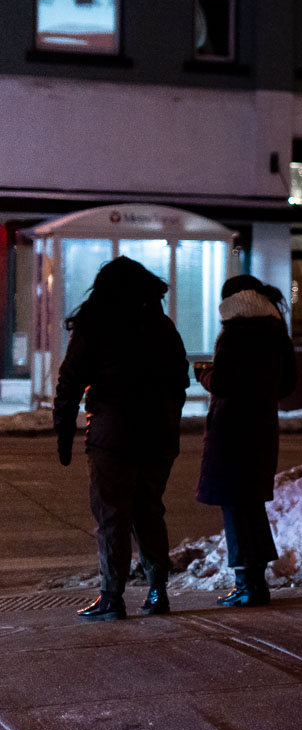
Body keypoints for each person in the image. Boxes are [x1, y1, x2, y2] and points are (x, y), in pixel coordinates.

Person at [54, 257, 190, 621]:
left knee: (112, 516)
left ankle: (112, 597)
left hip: (112, 435)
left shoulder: (95, 324)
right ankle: (158, 591)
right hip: (159, 436)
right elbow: (181, 382)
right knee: (148, 511)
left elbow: (70, 382)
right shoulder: (162, 326)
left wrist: (64, 433)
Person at [197, 274, 296, 607]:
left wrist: (204, 375)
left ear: (231, 301)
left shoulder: (236, 332)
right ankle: (257, 582)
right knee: (251, 506)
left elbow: (223, 382)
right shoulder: (275, 330)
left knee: (236, 508)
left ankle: (246, 585)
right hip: (261, 429)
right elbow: (287, 384)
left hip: (232, 432)